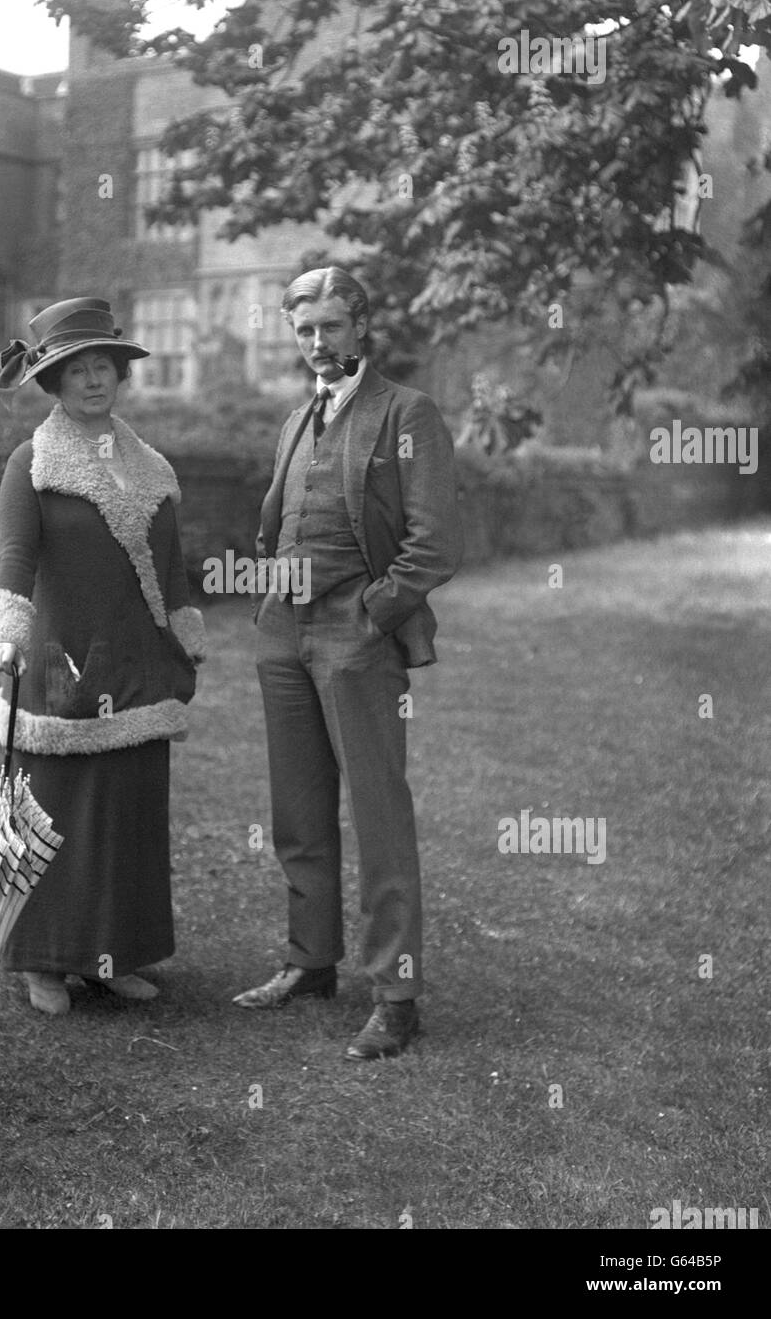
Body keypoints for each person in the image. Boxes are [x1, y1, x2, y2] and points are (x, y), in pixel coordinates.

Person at [234, 268, 463, 1059]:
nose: (318, 343)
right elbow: (279, 523)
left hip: (356, 638)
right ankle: (310, 962)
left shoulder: (408, 412)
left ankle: (396, 996)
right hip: (283, 633)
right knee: (297, 811)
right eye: (304, 330)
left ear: (362, 327)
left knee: (378, 813)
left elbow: (436, 540)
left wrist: (376, 611)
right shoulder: (298, 418)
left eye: (331, 326)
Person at [0, 297, 205, 1016]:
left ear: (119, 374)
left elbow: (170, 571)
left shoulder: (155, 469)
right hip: (60, 668)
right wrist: (4, 633)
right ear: (53, 382)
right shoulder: (31, 463)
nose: (93, 381)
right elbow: (14, 559)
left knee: (127, 809)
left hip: (137, 665)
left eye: (103, 366)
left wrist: (184, 640)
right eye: (77, 370)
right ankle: (42, 961)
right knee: (56, 811)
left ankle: (113, 955)